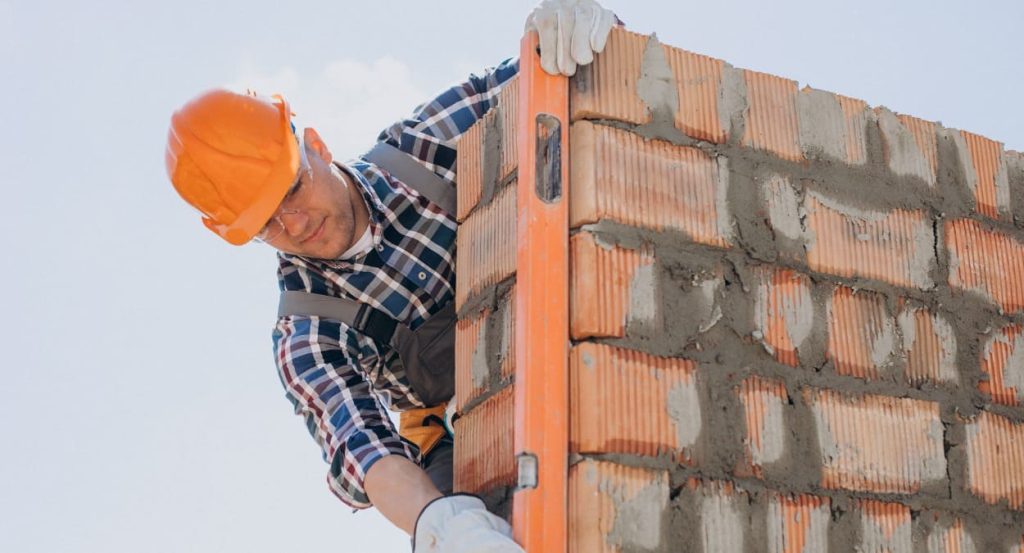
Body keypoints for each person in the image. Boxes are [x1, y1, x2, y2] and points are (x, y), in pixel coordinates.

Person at [164, 2, 616, 551]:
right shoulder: (309, 331)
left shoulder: (426, 148)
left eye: (291, 191)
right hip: (463, 441)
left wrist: (576, 31)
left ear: (315, 147)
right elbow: (365, 446)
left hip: (568, 339)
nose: (296, 223)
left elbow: (551, 68)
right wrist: (442, 526)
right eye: (266, 223)